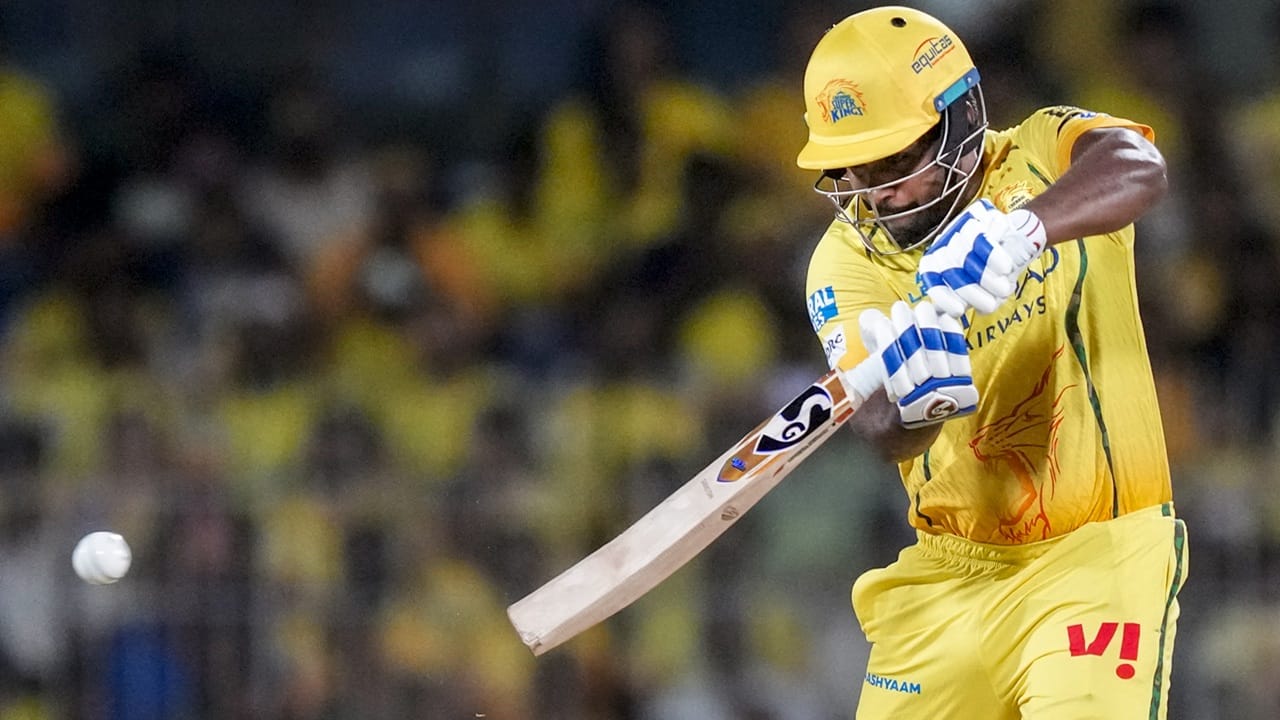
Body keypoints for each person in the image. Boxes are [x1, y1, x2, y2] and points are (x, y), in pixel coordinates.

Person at [796, 6, 1187, 719]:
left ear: (964, 115)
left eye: (897, 160)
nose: (879, 192)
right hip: (948, 574)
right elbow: (879, 427)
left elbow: (1139, 165)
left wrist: (1027, 229)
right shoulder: (843, 261)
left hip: (1097, 557)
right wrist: (915, 403)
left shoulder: (1041, 150)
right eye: (855, 169)